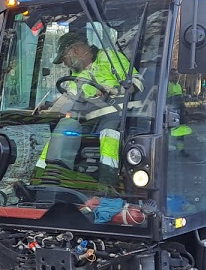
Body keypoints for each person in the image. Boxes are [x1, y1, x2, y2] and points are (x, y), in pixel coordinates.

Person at [33, 33, 140, 189]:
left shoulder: (110, 57)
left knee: (109, 133)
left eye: (65, 58)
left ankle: (107, 185)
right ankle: (43, 182)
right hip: (88, 117)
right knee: (62, 130)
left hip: (116, 112)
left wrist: (114, 90)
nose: (65, 63)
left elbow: (137, 82)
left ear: (75, 50)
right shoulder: (77, 74)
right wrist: (49, 107)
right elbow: (68, 98)